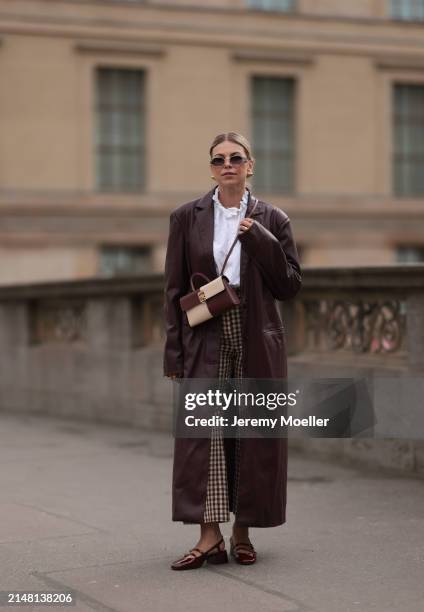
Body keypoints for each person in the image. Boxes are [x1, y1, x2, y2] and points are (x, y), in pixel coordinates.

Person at [163, 132, 302, 570]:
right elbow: (171, 290)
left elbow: (290, 285)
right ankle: (208, 537)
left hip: (256, 333)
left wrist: (260, 238)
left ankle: (242, 533)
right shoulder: (186, 217)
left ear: (250, 165)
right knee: (205, 432)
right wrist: (173, 354)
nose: (228, 165)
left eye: (236, 158)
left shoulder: (273, 218)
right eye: (219, 159)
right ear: (211, 168)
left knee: (252, 431)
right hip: (203, 333)